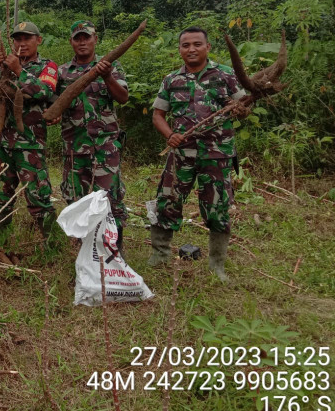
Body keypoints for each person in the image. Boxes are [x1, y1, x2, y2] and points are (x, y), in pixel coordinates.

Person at [150, 26, 245, 281]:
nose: (191, 49)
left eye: (196, 44)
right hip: (181, 154)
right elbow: (158, 115)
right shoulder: (172, 80)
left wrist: (240, 109)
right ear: (180, 49)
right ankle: (159, 255)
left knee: (217, 207)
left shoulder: (225, 75)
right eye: (185, 45)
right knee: (167, 201)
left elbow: (244, 104)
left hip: (217, 154)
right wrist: (170, 135)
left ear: (207, 47)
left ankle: (217, 266)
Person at [55, 20, 129, 253]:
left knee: (111, 199)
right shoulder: (62, 72)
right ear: (72, 42)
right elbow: (54, 105)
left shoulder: (111, 67)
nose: (82, 42)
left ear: (95, 39)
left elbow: (123, 97)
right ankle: (84, 251)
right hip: (74, 147)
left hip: (105, 147)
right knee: (76, 199)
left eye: (86, 37)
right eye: (77, 38)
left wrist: (107, 77)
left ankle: (115, 251)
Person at [0, 21, 58, 243]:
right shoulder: (4, 66)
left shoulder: (48, 66)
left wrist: (19, 70)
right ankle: (1, 245)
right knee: (0, 197)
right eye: (18, 39)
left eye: (27, 38)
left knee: (39, 198)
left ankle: (53, 246)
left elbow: (44, 91)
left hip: (30, 145)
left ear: (39, 40)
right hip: (3, 145)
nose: (22, 43)